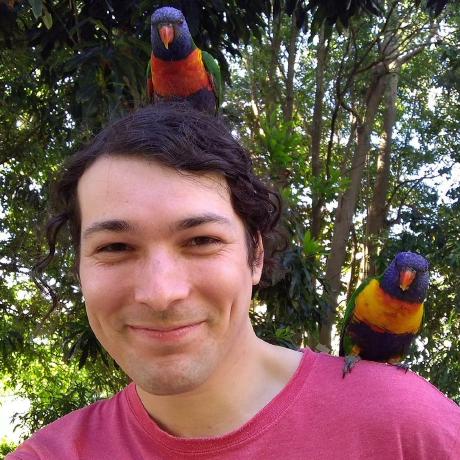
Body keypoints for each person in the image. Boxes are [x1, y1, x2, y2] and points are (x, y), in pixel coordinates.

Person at [8, 103, 460, 460]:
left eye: (201, 240)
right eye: (115, 247)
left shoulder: (413, 429)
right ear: (80, 268)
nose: (161, 293)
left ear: (256, 255)